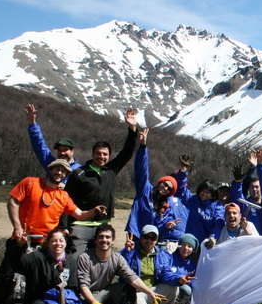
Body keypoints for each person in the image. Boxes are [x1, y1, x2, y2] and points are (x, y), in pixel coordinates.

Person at [0, 159, 107, 304]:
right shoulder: (30, 183)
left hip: (45, 246)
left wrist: (94, 211)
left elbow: (79, 214)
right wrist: (17, 227)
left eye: (63, 172)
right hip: (22, 240)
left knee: (40, 280)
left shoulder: (63, 195)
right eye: (57, 169)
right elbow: (13, 202)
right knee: (6, 276)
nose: (59, 173)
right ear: (50, 169)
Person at [63, 108, 139, 255]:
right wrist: (64, 226)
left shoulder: (111, 170)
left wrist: (132, 129)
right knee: (76, 259)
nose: (101, 156)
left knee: (99, 262)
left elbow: (127, 152)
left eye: (105, 154)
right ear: (92, 154)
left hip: (102, 226)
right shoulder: (79, 173)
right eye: (98, 153)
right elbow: (66, 201)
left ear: (109, 156)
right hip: (79, 225)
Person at [76, 224, 165, 304]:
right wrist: (94, 303)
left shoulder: (116, 258)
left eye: (108, 237)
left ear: (113, 241)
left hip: (107, 292)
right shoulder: (84, 257)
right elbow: (83, 285)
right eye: (101, 237)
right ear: (96, 240)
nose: (104, 240)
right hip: (88, 296)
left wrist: (149, 292)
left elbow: (132, 277)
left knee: (128, 288)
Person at [10, 229, 90, 304]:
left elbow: (73, 286)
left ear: (65, 243)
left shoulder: (70, 261)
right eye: (54, 241)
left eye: (61, 240)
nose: (58, 244)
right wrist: (19, 246)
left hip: (62, 299)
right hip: (38, 300)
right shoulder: (37, 257)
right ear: (48, 243)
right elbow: (18, 265)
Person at [125, 128, 187, 252]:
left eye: (169, 189)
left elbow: (158, 228)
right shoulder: (145, 190)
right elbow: (142, 169)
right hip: (136, 234)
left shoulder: (165, 207)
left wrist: (166, 226)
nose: (165, 188)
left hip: (150, 240)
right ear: (160, 182)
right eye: (165, 184)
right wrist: (143, 146)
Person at [120, 225, 178, 304]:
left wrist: (178, 279)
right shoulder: (131, 250)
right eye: (146, 237)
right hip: (135, 292)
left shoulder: (160, 254)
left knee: (174, 288)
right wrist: (128, 252)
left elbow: (166, 273)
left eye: (153, 238)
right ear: (141, 237)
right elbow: (122, 270)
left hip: (152, 290)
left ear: (156, 240)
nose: (149, 241)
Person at [174, 155, 225, 243]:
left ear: (213, 195)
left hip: (205, 245)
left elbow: (219, 223)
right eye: (203, 190)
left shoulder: (217, 206)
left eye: (208, 192)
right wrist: (183, 171)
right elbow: (181, 189)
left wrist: (213, 237)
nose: (204, 194)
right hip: (189, 243)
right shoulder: (192, 200)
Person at [25, 104, 82, 174]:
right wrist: (32, 123)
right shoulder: (51, 165)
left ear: (72, 151)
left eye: (65, 150)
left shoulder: (81, 171)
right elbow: (39, 146)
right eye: (59, 150)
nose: (62, 153)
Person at [163, 233, 199, 304]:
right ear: (178, 246)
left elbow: (193, 284)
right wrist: (179, 279)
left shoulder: (191, 265)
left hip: (179, 300)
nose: (185, 248)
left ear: (193, 250)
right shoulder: (170, 257)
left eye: (189, 246)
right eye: (183, 245)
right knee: (185, 289)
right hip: (166, 294)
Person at [230, 164, 262, 235]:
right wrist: (237, 182)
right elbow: (236, 195)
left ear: (261, 188)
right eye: (252, 187)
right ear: (249, 189)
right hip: (250, 241)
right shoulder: (245, 204)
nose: (254, 189)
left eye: (257, 187)